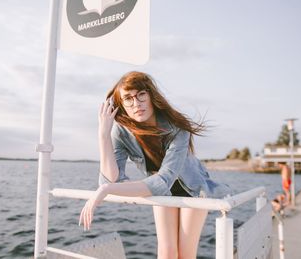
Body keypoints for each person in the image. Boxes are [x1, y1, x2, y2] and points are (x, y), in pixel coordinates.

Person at [79, 71, 231, 258]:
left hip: (193, 188)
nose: (136, 104)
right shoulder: (121, 132)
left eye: (141, 94)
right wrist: (103, 134)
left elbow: (164, 179)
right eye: (128, 98)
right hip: (160, 190)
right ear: (120, 104)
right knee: (166, 252)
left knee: (185, 253)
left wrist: (106, 189)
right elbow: (111, 178)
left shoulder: (178, 128)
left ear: (151, 95)